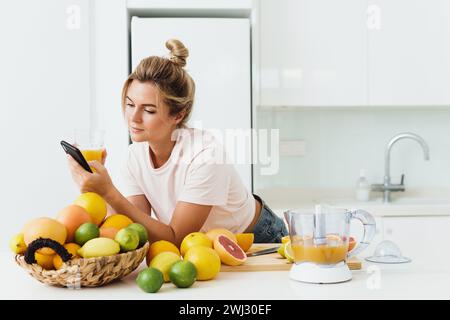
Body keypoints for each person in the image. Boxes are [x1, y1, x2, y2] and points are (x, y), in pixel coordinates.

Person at [67, 39, 287, 247]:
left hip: (257, 239)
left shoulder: (205, 155)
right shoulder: (135, 157)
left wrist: (109, 192)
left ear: (178, 115)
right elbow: (134, 227)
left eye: (149, 110)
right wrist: (92, 188)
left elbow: (175, 238)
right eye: (130, 104)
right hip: (203, 246)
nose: (133, 118)